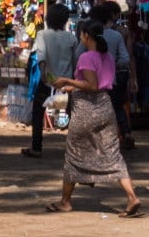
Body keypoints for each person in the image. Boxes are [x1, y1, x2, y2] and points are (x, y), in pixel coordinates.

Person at [45, 22, 142, 216]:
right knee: (112, 153)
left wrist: (66, 81)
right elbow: (100, 84)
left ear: (85, 36)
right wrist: (71, 87)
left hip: (86, 110)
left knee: (73, 154)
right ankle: (132, 197)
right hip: (105, 108)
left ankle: (65, 201)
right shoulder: (107, 57)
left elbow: (92, 85)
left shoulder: (86, 57)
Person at [22, 4, 77, 158]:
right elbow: (75, 61)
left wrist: (44, 76)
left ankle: (36, 147)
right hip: (67, 82)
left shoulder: (42, 35)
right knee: (73, 115)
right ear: (65, 20)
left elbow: (41, 56)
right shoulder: (72, 38)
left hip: (48, 81)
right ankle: (76, 149)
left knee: (38, 113)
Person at [94, 1, 136, 151]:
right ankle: (126, 134)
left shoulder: (91, 34)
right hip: (116, 77)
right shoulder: (118, 34)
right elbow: (126, 57)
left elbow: (79, 56)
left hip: (96, 79)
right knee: (117, 106)